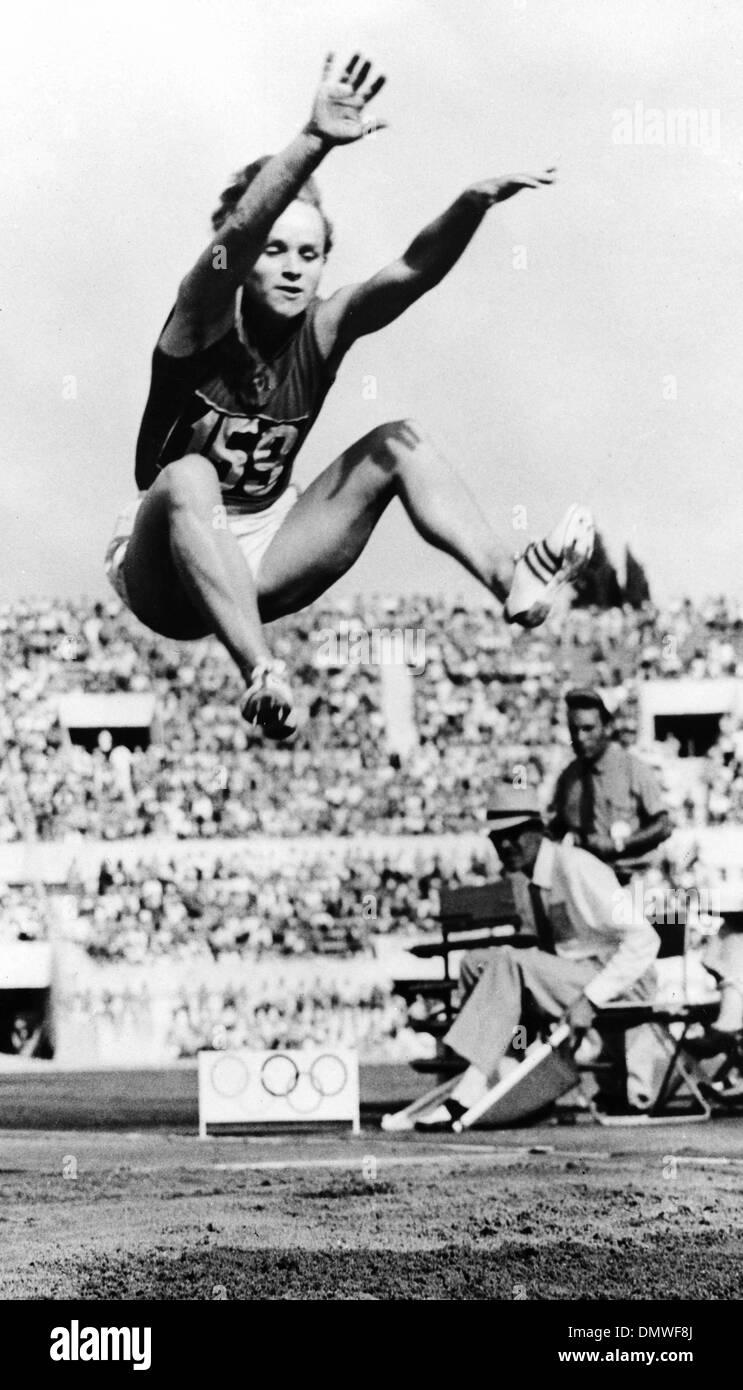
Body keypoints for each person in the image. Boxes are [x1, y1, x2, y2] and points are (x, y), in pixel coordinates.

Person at [105, 51, 594, 739]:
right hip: (166, 565)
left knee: (401, 441)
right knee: (189, 475)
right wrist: (311, 144)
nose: (293, 270)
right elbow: (236, 235)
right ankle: (262, 674)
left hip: (267, 550)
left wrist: (471, 204)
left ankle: (511, 578)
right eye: (275, 252)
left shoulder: (324, 328)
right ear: (245, 264)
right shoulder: (196, 320)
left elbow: (410, 272)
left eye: (309, 255)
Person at [415, 784, 659, 1129]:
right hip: (574, 976)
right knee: (476, 962)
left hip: (622, 983)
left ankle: (467, 1095)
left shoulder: (577, 866)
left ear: (539, 831)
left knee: (510, 961)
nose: (506, 845)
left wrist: (591, 999)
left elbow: (645, 939)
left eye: (514, 835)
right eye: (498, 839)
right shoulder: (526, 881)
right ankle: (508, 1080)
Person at [549, 688, 671, 881]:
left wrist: (619, 844)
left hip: (630, 879)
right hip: (588, 880)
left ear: (607, 727)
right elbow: (558, 827)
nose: (580, 738)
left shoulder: (632, 768)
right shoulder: (568, 777)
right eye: (574, 730)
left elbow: (663, 826)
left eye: (588, 729)